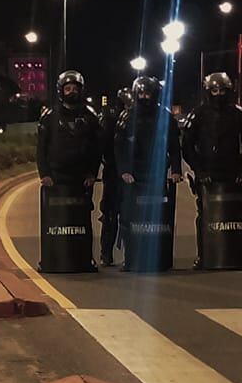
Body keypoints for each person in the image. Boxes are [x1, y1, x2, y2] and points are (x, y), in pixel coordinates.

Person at [182, 71, 242, 268]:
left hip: (231, 171)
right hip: (207, 172)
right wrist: (198, 170)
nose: (218, 94)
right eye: (214, 90)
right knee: (205, 214)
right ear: (208, 91)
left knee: (234, 216)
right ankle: (205, 254)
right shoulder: (198, 114)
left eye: (222, 90)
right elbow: (187, 145)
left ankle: (234, 255)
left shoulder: (239, 115)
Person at [114, 73, 181, 264]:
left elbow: (175, 146)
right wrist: (124, 171)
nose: (145, 98)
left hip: (158, 175)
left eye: (148, 94)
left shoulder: (166, 117)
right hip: (133, 176)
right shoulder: (126, 117)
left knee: (159, 219)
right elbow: (118, 147)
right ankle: (131, 257)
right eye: (141, 94)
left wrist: (176, 170)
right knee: (128, 217)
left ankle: (160, 257)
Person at [37, 69, 104, 189]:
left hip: (83, 177)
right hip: (56, 177)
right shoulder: (50, 116)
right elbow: (42, 147)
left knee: (84, 208)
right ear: (61, 91)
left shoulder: (90, 116)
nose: (72, 92)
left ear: (81, 90)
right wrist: (44, 174)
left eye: (75, 89)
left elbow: (97, 148)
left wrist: (92, 173)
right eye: (68, 89)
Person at [96, 86, 129, 266]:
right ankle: (106, 253)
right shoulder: (110, 121)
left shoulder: (137, 119)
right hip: (113, 173)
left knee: (130, 216)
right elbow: (101, 146)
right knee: (109, 215)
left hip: (132, 174)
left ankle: (130, 255)